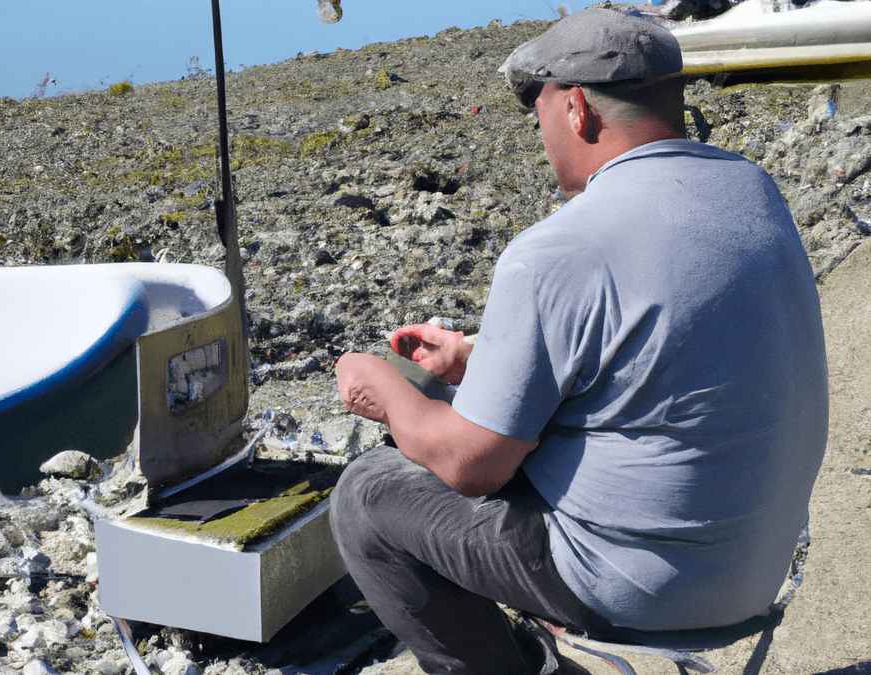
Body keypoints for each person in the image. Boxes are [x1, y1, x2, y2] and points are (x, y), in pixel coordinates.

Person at [328, 8, 829, 675]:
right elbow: (660, 348)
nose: (539, 132)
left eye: (537, 111)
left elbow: (471, 465)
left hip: (644, 587)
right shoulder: (750, 190)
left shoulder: (557, 250)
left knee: (366, 493)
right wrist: (475, 358)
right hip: (751, 568)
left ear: (578, 111)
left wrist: (382, 386)